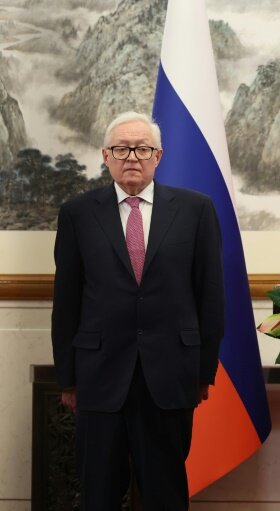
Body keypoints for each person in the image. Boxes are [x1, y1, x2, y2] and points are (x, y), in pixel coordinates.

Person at [51, 112, 225, 510]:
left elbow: (210, 295)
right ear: (105, 156)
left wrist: (203, 371)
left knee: (165, 493)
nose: (132, 156)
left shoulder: (196, 210)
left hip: (170, 377)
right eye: (121, 148)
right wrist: (68, 378)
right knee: (99, 492)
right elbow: (67, 301)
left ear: (158, 156)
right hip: (98, 376)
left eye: (142, 148)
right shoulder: (78, 213)